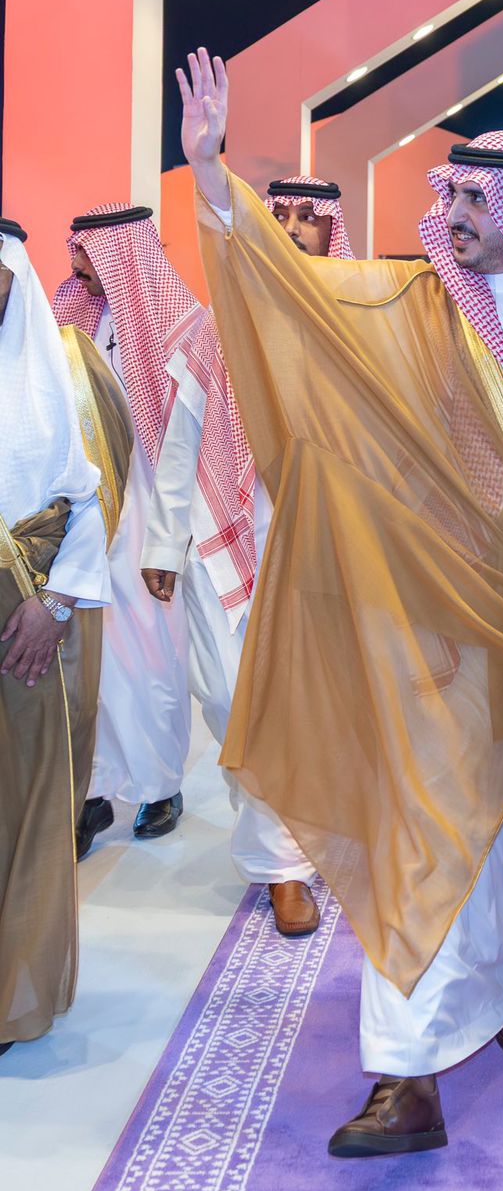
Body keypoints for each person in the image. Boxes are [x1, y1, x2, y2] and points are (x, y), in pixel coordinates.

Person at [176, 47, 503, 1156]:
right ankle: (404, 1077)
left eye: (475, 199)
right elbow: (292, 293)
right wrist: (213, 177)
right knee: (425, 824)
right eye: (449, 195)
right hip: (428, 616)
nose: (452, 214)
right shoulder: (410, 306)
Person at [139, 176, 354, 936]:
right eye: (279, 214)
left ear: (332, 231)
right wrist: (162, 541)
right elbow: (181, 442)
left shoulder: (352, 323)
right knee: (234, 701)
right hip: (224, 540)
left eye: (308, 217)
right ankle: (281, 848)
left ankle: (285, 863)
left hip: (326, 546)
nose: (292, 228)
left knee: (311, 706)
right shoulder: (216, 324)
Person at [1, 217, 131, 1056]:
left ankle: (14, 986)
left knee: (22, 802)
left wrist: (52, 610)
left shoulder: (49, 373)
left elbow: (89, 503)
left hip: (21, 612)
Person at [53, 205, 197, 854]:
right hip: (88, 506)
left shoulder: (170, 321)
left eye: (86, 250)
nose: (75, 261)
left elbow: (183, 431)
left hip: (148, 506)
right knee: (91, 653)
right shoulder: (74, 317)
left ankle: (161, 785)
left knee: (150, 654)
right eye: (73, 249)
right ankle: (93, 792)